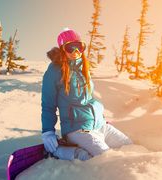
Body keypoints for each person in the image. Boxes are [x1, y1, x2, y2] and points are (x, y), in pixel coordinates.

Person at [41, 28, 132, 160]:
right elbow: (48, 105)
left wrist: (100, 117)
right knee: (107, 158)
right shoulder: (55, 71)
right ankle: (60, 151)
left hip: (100, 125)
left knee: (130, 147)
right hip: (77, 129)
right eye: (70, 48)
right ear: (62, 49)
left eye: (79, 47)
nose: (76, 52)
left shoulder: (83, 68)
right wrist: (48, 132)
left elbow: (89, 99)